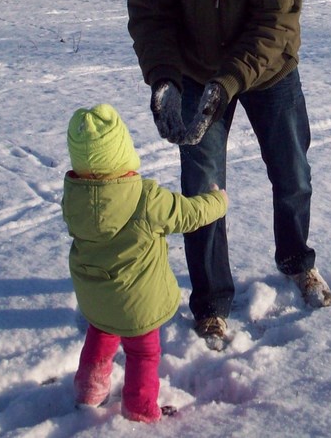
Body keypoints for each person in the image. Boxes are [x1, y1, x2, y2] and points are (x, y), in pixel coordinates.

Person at [127, 0, 331, 350]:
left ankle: (296, 260)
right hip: (195, 70)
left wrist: (230, 81)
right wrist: (165, 80)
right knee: (201, 190)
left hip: (268, 70)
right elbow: (150, 15)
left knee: (292, 172)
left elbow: (276, 23)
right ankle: (212, 303)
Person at [62, 103, 228, 422]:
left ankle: (89, 389)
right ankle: (139, 408)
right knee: (143, 352)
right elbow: (188, 214)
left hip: (96, 297)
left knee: (101, 334)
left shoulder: (74, 198)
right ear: (122, 151)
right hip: (138, 303)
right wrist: (217, 202)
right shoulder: (145, 198)